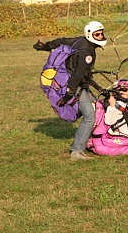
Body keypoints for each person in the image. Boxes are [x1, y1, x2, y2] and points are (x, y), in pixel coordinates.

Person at [34, 21, 107, 161]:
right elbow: (77, 76)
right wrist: (68, 95)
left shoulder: (79, 41)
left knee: (97, 108)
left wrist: (44, 47)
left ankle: (94, 141)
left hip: (77, 84)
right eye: (97, 34)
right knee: (90, 116)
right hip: (75, 86)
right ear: (89, 35)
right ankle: (77, 152)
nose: (101, 36)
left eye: (102, 33)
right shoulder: (87, 53)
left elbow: (60, 41)